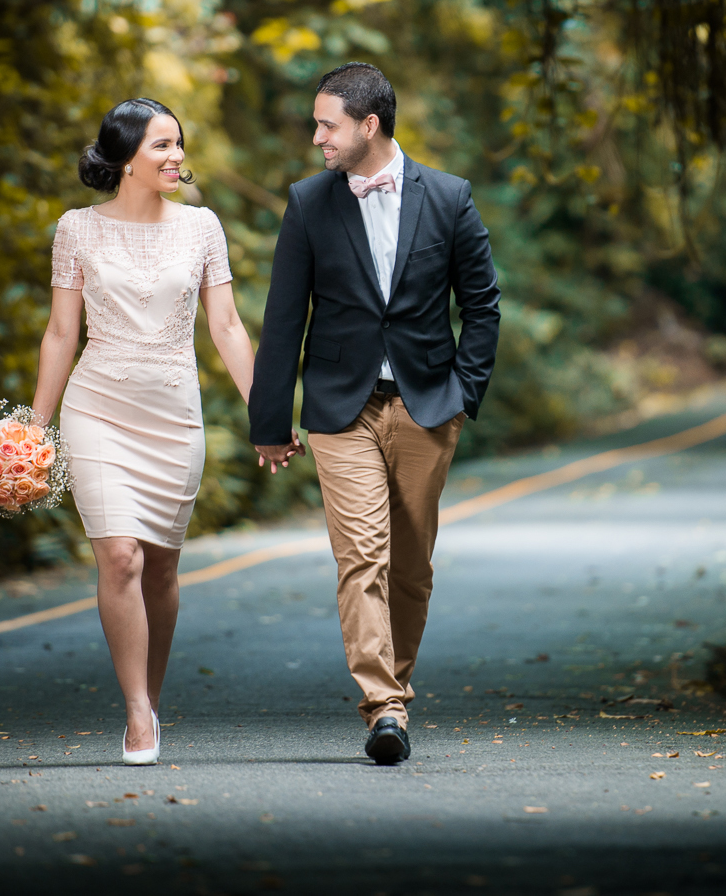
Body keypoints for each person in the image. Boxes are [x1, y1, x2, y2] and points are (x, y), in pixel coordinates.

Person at [249, 62, 501, 765]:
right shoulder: (307, 203)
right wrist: (270, 419)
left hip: (426, 405)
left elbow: (481, 305)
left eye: (326, 124)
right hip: (339, 406)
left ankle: (396, 684)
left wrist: (464, 391)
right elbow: (283, 318)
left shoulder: (450, 197)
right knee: (362, 554)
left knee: (411, 564)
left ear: (368, 124)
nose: (315, 138)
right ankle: (384, 707)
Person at [31, 98, 255, 766]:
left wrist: (262, 409)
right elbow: (61, 333)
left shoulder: (202, 227)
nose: (176, 156)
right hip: (97, 407)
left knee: (159, 566)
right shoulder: (76, 229)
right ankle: (135, 712)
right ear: (126, 157)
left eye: (178, 143)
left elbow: (226, 327)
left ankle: (150, 699)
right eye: (161, 145)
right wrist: (35, 430)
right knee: (120, 557)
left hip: (173, 415)